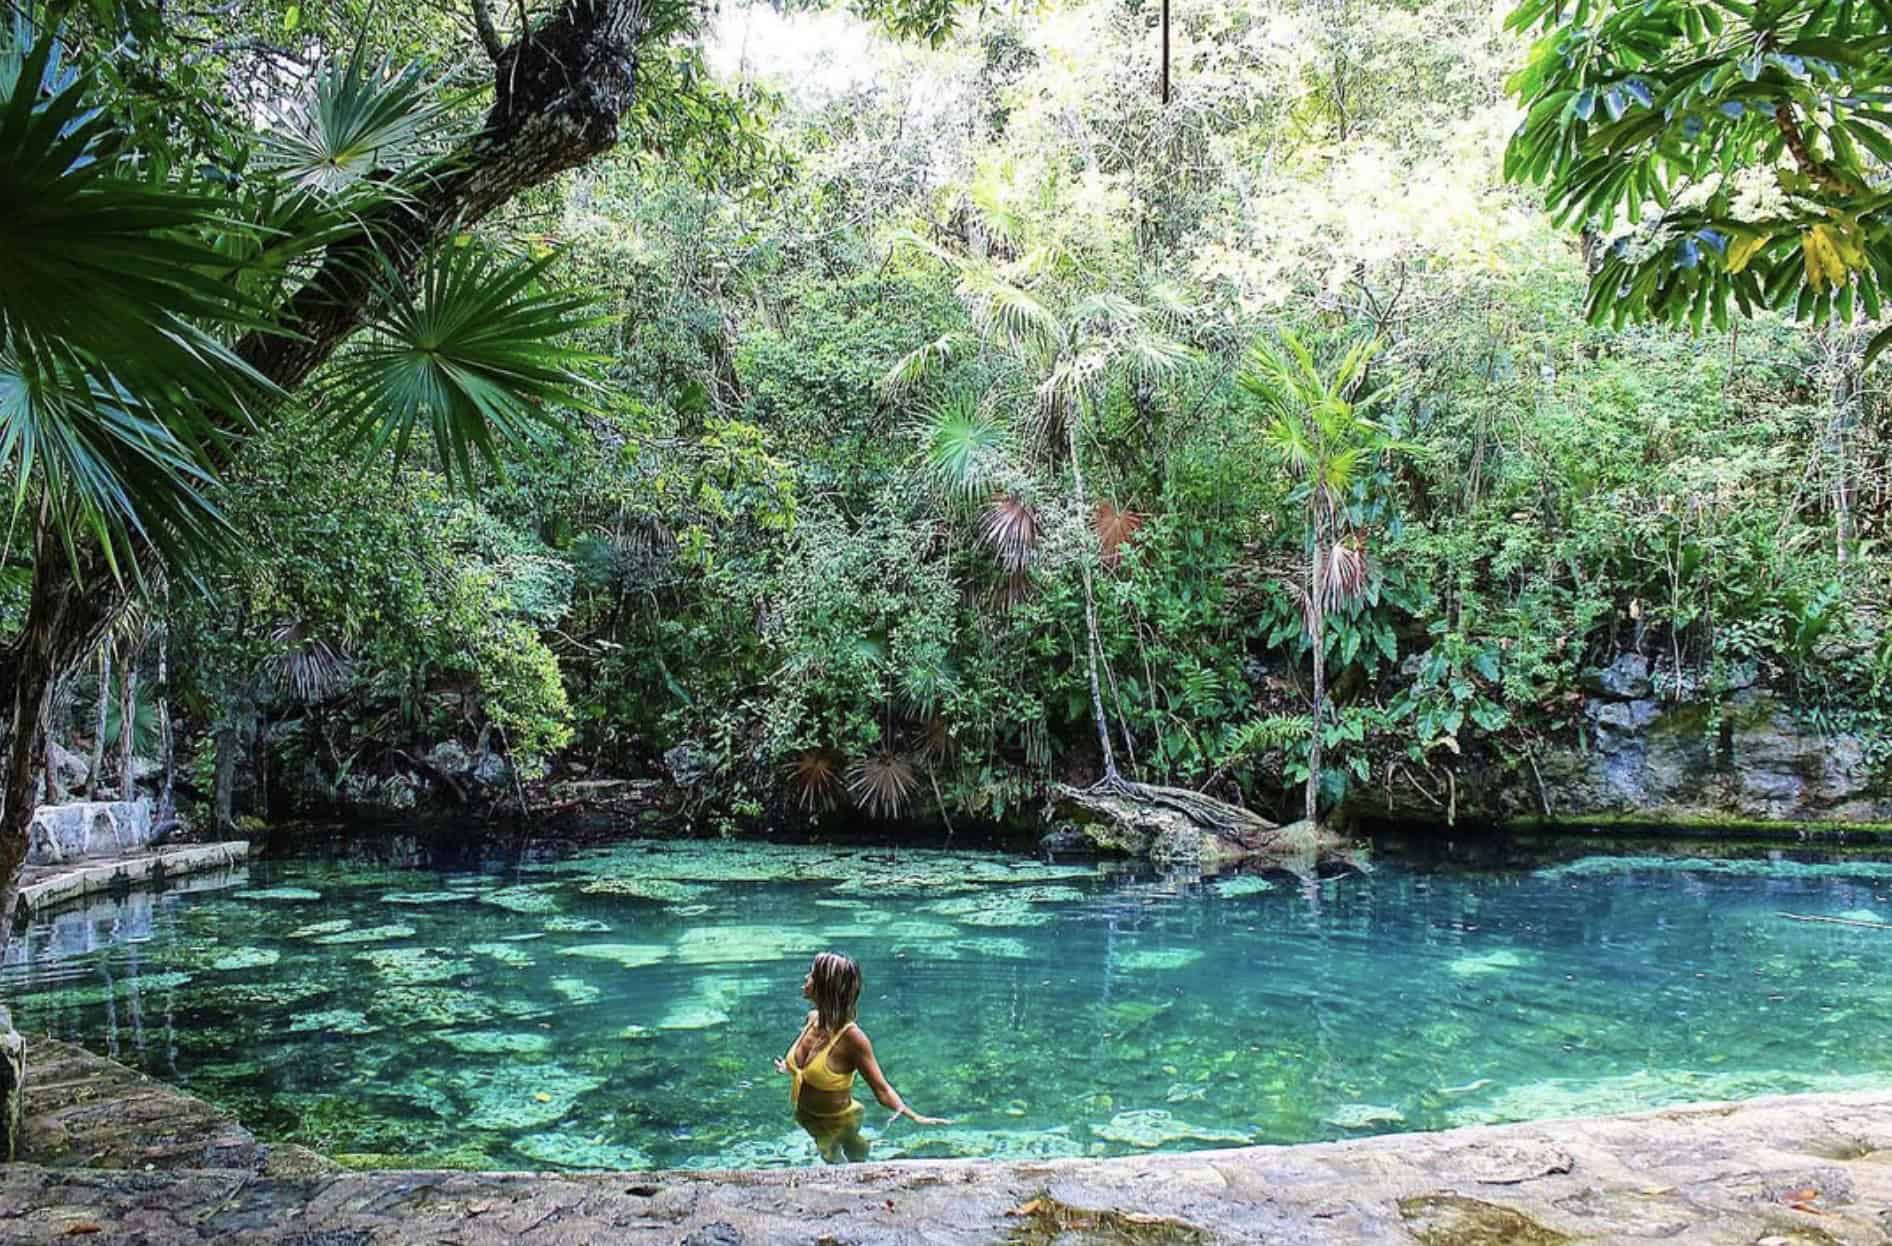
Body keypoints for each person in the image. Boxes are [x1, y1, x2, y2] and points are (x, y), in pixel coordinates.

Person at [775, 950, 947, 1162]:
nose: (805, 978)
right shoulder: (812, 1019)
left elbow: (882, 1089)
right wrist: (789, 1067)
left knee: (840, 1161)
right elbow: (807, 1067)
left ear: (825, 986)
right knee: (830, 1155)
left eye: (811, 974)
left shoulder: (853, 1039)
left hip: (839, 1120)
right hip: (806, 1116)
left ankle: (861, 1155)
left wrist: (914, 1117)